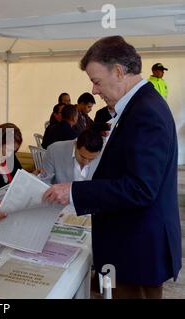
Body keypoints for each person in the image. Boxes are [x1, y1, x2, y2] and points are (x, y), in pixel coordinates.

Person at [43, 36, 181, 299]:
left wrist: (75, 192)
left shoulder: (145, 112)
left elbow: (140, 188)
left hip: (136, 252)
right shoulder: (138, 106)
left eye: (97, 81)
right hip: (130, 245)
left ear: (118, 71)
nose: (94, 91)